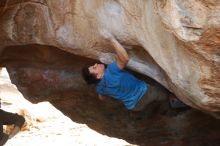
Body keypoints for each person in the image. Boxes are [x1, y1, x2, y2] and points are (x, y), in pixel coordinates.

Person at [81, 31, 168, 111]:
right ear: (99, 76)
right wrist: (111, 39)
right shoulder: (111, 71)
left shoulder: (99, 88)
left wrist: (108, 94)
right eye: (94, 68)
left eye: (93, 66)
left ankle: (157, 107)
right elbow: (125, 59)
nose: (95, 64)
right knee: (162, 91)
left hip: (134, 106)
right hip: (145, 93)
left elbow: (101, 97)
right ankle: (170, 101)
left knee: (151, 105)